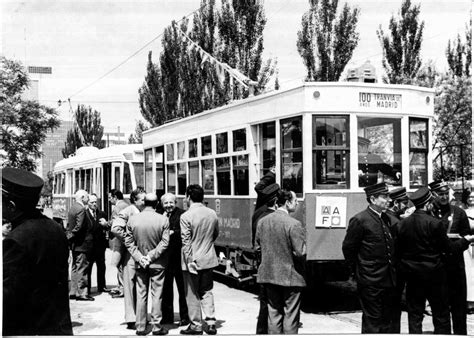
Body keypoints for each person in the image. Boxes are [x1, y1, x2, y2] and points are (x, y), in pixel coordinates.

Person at [2, 167, 73, 335]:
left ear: (11, 206)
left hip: (30, 329)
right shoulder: (55, 228)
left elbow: (8, 296)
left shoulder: (16, 240)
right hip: (57, 328)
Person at [396, 187, 474, 334]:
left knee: (415, 314)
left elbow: (399, 251)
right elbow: (448, 248)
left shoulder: (402, 224)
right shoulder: (434, 223)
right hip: (434, 275)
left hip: (412, 275)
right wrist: (465, 241)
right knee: (441, 314)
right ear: (427, 204)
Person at [342, 182, 397, 333]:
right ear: (373, 199)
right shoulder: (360, 220)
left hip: (387, 279)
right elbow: (348, 249)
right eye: (384, 197)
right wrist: (358, 271)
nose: (389, 200)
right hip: (370, 280)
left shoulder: (385, 218)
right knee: (372, 322)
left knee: (386, 321)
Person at [256, 189, 306, 334]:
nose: (297, 203)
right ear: (288, 202)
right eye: (295, 200)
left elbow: (257, 247)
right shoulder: (294, 224)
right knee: (290, 316)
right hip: (291, 277)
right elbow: (300, 252)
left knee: (273, 315)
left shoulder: (263, 222)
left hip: (269, 275)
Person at [429, 180, 472, 335]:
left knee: (459, 307)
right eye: (440, 194)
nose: (444, 197)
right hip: (437, 266)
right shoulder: (429, 213)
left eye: (446, 193)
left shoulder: (459, 213)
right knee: (440, 308)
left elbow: (467, 237)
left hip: (456, 266)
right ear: (433, 195)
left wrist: (457, 245)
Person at [124, 193, 170, 336]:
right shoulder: (163, 219)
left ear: (144, 203)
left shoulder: (133, 220)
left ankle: (140, 327)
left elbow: (128, 242)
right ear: (157, 204)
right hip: (157, 264)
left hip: (140, 264)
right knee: (157, 295)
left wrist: (140, 257)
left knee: (141, 294)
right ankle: (157, 326)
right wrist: (151, 256)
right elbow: (165, 243)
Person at [180, 184, 219, 335]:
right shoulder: (212, 213)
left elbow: (186, 241)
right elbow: (215, 234)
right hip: (209, 258)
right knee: (207, 291)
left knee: (192, 293)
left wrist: (189, 260)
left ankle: (196, 325)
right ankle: (210, 323)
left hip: (192, 261)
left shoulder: (186, 216)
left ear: (188, 197)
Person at [113, 188, 146, 330]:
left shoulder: (144, 211)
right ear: (134, 200)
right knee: (130, 285)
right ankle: (131, 318)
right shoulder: (128, 211)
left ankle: (139, 317)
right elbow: (115, 228)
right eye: (142, 199)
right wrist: (128, 239)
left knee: (140, 286)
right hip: (130, 254)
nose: (145, 202)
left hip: (142, 253)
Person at [251, 183, 280, 334]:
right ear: (275, 200)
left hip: (262, 262)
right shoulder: (271, 217)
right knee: (273, 302)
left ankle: (261, 330)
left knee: (264, 301)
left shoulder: (258, 213)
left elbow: (256, 244)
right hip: (273, 263)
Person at [160, 193, 190, 326]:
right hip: (165, 258)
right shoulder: (159, 214)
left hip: (179, 257)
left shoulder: (182, 214)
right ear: (162, 204)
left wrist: (173, 232)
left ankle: (185, 317)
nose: (168, 206)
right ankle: (167, 317)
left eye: (171, 203)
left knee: (182, 289)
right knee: (166, 289)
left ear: (175, 202)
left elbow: (186, 233)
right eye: (165, 203)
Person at [385, 186, 410, 333]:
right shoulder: (397, 223)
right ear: (396, 203)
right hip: (396, 271)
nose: (406, 206)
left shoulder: (387, 217)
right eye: (404, 202)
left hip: (387, 271)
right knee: (394, 308)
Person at [67, 189, 95, 301]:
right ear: (82, 197)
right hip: (82, 243)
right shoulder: (81, 209)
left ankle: (73, 291)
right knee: (82, 267)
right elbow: (79, 227)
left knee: (75, 267)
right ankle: (82, 293)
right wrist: (71, 236)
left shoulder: (73, 207)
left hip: (75, 244)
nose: (88, 199)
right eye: (87, 197)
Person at [108, 189, 130, 297]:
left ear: (115, 197)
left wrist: (106, 223)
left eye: (110, 197)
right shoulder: (126, 204)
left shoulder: (118, 207)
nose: (109, 199)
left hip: (120, 239)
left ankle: (122, 288)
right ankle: (121, 286)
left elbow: (115, 223)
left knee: (119, 263)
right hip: (125, 238)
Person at [86, 193, 109, 293]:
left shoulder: (102, 214)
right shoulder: (85, 213)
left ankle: (102, 286)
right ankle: (88, 287)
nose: (94, 204)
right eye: (92, 202)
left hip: (100, 244)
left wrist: (105, 225)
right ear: (87, 203)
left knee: (101, 265)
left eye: (96, 202)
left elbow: (106, 227)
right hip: (90, 245)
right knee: (89, 267)